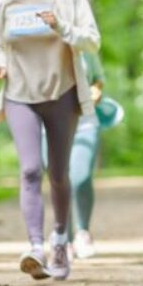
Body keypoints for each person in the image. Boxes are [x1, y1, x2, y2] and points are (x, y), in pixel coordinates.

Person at [0, 0, 100, 281]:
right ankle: (36, 247)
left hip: (62, 92)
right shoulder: (4, 2)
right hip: (20, 95)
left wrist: (61, 26)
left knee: (59, 173)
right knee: (30, 170)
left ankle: (61, 240)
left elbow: (91, 41)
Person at [40, 51, 106, 260]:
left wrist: (95, 92)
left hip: (84, 123)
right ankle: (64, 239)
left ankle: (83, 233)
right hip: (48, 127)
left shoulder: (84, 47)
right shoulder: (38, 48)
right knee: (59, 178)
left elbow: (98, 79)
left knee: (81, 177)